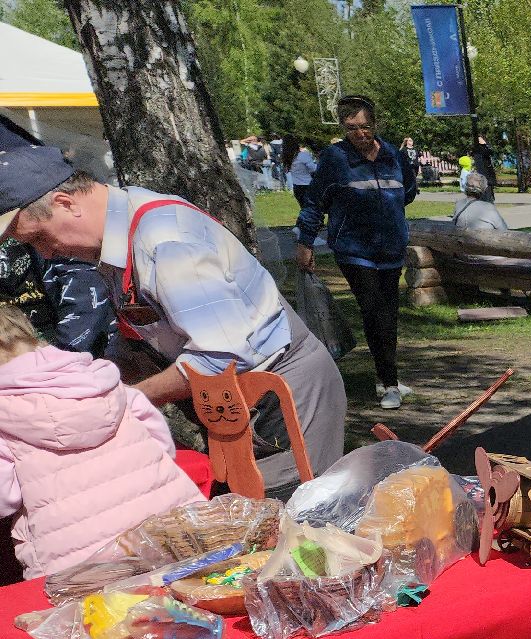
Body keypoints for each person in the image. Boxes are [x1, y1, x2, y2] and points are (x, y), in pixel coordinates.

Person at [0, 150, 347, 496]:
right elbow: (139, 333)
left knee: (293, 522)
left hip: (279, 391)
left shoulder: (164, 240)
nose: (44, 254)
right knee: (249, 523)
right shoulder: (114, 240)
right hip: (232, 399)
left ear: (65, 203)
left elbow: (220, 357)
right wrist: (86, 387)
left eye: (39, 238)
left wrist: (126, 400)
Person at [0, 303, 201, 578]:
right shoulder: (102, 380)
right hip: (170, 534)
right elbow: (164, 446)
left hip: (79, 566)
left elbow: (5, 499)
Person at [295, 95, 420, 411]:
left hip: (391, 247)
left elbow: (407, 193)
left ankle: (385, 376)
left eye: (364, 127)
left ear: (375, 124)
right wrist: (305, 242)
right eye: (352, 128)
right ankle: (389, 383)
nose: (360, 134)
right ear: (343, 128)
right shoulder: (335, 159)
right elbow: (314, 203)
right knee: (374, 310)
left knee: (388, 313)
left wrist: (385, 212)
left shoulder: (393, 155)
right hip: (354, 249)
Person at [287, 139, 319, 211]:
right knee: (313, 208)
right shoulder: (303, 155)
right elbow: (313, 168)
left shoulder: (288, 157)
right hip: (307, 184)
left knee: (304, 208)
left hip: (296, 185)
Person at [472, 135, 497, 199]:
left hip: (487, 172)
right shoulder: (479, 148)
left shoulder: (483, 147)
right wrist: (485, 144)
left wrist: (485, 145)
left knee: (489, 188)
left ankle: (490, 198)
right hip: (484, 172)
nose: (481, 140)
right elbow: (488, 152)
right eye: (479, 139)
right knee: (486, 188)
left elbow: (491, 152)